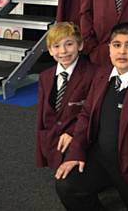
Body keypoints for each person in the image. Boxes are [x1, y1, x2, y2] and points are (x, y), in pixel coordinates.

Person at [55, 23, 128, 211]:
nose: (122, 52)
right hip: (101, 158)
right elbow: (85, 116)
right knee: (67, 185)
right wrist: (75, 153)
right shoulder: (101, 74)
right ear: (109, 49)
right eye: (116, 45)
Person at [36, 22, 96, 170]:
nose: (63, 51)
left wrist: (73, 133)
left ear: (80, 45)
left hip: (80, 137)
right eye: (56, 46)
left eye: (69, 44)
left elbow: (93, 113)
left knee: (68, 186)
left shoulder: (93, 74)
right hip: (52, 139)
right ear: (50, 51)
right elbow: (42, 116)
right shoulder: (45, 76)